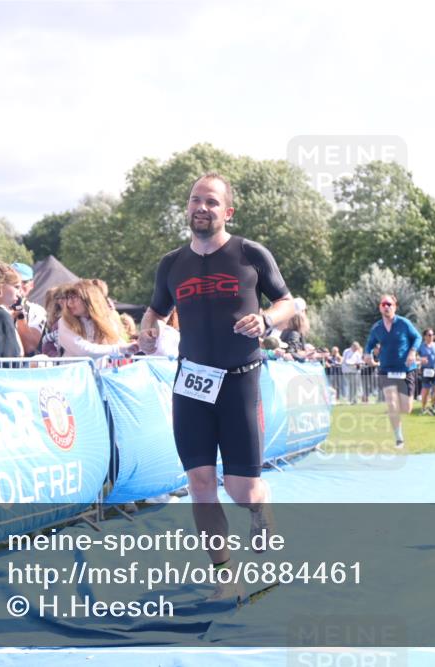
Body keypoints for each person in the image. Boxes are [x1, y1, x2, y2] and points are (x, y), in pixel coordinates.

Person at [138, 172, 294, 601]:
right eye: (194, 200)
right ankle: (225, 575)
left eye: (210, 202)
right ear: (187, 208)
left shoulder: (249, 254)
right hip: (191, 384)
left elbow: (288, 302)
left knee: (241, 490)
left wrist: (265, 320)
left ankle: (262, 507)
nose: (201, 208)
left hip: (240, 381)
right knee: (201, 484)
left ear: (227, 211)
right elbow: (154, 311)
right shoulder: (172, 264)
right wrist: (147, 330)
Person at [364, 293, 422, 447]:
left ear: (395, 307)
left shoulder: (404, 323)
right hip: (386, 369)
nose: (387, 306)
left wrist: (412, 352)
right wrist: (367, 354)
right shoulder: (377, 327)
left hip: (406, 369)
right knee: (391, 402)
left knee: (406, 408)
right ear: (380, 308)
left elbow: (417, 338)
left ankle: (399, 419)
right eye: (384, 304)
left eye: (389, 304)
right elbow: (370, 344)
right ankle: (398, 437)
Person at [59, 279, 137, 363]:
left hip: (100, 374)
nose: (69, 303)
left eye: (74, 298)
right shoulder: (64, 322)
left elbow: (117, 343)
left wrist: (130, 349)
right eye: (68, 298)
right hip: (74, 375)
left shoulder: (107, 321)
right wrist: (120, 349)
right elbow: (83, 350)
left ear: (89, 300)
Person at [10, 262, 48, 356]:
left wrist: (20, 315)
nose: (18, 286)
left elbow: (29, 347)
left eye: (24, 282)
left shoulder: (36, 310)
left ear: (31, 285)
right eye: (12, 282)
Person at [417, 328, 435, 415]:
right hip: (425, 371)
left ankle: (431, 406)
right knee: (425, 392)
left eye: (432, 335)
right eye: (429, 335)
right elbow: (414, 356)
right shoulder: (420, 346)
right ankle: (423, 408)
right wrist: (420, 359)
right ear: (425, 336)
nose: (431, 336)